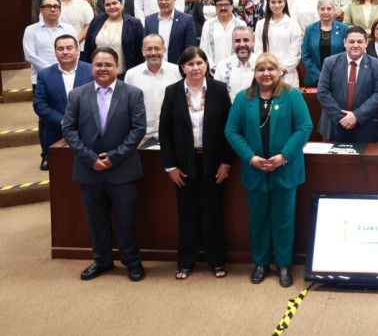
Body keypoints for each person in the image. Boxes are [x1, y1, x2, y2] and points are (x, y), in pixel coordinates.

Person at [225, 52, 312, 286]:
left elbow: (305, 127)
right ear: (254, 73)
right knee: (258, 219)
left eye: (270, 69)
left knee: (284, 219)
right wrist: (250, 158)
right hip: (255, 170)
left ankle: (283, 265)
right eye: (261, 69)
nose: (266, 73)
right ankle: (261, 263)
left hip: (285, 169)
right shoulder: (244, 98)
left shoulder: (292, 95)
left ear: (279, 71)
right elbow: (231, 131)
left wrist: (284, 156)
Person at [61, 47, 147, 282]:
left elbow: (138, 129)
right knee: (96, 220)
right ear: (91, 67)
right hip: (89, 171)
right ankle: (102, 260)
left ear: (117, 68)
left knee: (126, 219)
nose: (103, 69)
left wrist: (113, 157)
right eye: (98, 65)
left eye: (108, 64)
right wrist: (90, 159)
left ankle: (132, 262)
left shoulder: (133, 93)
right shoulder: (77, 95)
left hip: (123, 169)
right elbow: (68, 129)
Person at [159, 46, 232, 280]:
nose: (195, 68)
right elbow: (165, 132)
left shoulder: (219, 90)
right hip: (183, 164)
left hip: (213, 163)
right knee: (187, 213)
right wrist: (170, 166)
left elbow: (229, 129)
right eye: (190, 64)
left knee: (213, 212)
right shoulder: (172, 92)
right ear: (182, 67)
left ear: (207, 66)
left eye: (200, 63)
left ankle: (217, 261)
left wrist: (226, 162)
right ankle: (185, 261)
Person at [316, 26, 378, 143]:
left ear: (366, 43)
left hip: (366, 126)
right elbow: (322, 92)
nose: (355, 45)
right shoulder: (330, 62)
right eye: (351, 41)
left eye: (359, 42)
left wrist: (356, 116)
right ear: (344, 42)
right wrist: (343, 118)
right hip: (335, 125)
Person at [33, 34, 93, 171]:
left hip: (89, 130)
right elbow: (39, 104)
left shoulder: (92, 71)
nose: (65, 52)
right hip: (57, 131)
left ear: (78, 50)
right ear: (55, 53)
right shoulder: (44, 74)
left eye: (69, 48)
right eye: (60, 49)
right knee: (61, 175)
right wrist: (61, 120)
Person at [124, 33, 182, 138]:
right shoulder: (131, 75)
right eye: (149, 49)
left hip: (172, 133)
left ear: (164, 50)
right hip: (142, 135)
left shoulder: (177, 72)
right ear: (142, 51)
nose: (153, 53)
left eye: (157, 48)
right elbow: (127, 107)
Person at [83, 0, 144, 79]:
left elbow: (140, 51)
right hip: (99, 76)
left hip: (124, 76)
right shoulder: (96, 21)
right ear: (104, 7)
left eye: (115, 3)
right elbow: (88, 49)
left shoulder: (134, 23)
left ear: (121, 4)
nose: (112, 7)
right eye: (108, 5)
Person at [253, 0, 303, 87]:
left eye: (280, 2)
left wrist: (282, 71)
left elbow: (295, 52)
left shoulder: (293, 24)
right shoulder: (261, 24)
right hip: (266, 74)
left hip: (287, 74)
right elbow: (258, 49)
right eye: (273, 2)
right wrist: (267, 70)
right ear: (268, 3)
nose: (277, 5)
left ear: (285, 2)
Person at [302, 0, 348, 88]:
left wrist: (333, 76)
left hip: (338, 79)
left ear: (334, 10)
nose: (325, 12)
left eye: (329, 9)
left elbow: (347, 54)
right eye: (322, 9)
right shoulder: (310, 29)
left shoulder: (344, 28)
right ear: (318, 11)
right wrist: (320, 76)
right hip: (314, 79)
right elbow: (305, 55)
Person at [144, 0, 196, 65]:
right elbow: (146, 47)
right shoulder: (149, 20)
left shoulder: (187, 20)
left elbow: (190, 49)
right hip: (154, 68)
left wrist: (177, 68)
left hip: (178, 70)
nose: (163, 2)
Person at [200, 0, 247, 69]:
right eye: (219, 5)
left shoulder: (241, 24)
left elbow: (245, 48)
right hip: (213, 71)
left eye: (226, 5)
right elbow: (203, 49)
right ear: (215, 7)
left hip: (236, 69)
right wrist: (213, 67)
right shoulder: (208, 24)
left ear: (232, 6)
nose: (223, 8)